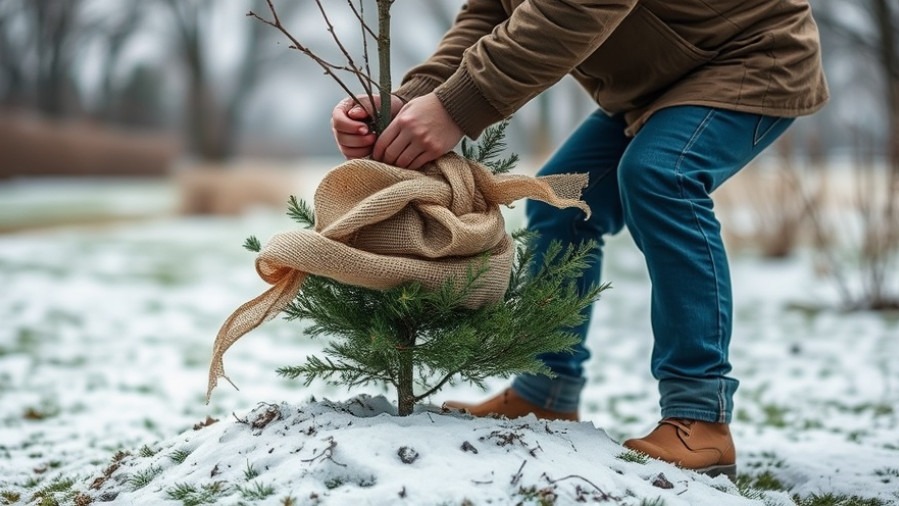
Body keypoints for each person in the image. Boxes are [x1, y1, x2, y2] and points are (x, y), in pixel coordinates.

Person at [331, 0, 828, 479]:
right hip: (659, 80)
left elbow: (578, 5)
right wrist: (412, 99)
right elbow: (490, 12)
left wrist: (455, 108)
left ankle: (701, 414)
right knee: (561, 199)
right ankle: (546, 390)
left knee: (662, 176)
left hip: (748, 54)